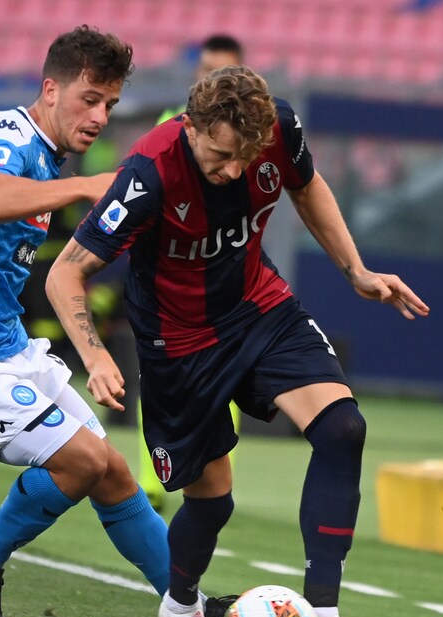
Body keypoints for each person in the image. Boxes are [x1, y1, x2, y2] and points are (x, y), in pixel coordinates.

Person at [47, 65, 429, 617]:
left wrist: (355, 270)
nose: (233, 171)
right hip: (179, 342)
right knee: (212, 502)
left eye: (244, 158)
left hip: (259, 309)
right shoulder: (148, 173)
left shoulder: (278, 129)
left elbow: (307, 186)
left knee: (342, 429)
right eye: (221, 156)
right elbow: (66, 271)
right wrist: (93, 356)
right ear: (192, 127)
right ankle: (180, 607)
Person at [0, 26, 171, 617]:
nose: (100, 116)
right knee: (83, 459)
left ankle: (188, 602)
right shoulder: (6, 133)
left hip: (6, 348)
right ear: (51, 89)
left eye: (110, 104)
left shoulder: (47, 160)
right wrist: (84, 187)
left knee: (113, 471)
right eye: (89, 99)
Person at [143, 32, 245, 512]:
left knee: (228, 379)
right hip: (171, 278)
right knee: (160, 379)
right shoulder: (170, 123)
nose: (210, 77)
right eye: (205, 69)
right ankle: (154, 478)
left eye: (221, 71)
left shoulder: (252, 132)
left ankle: (217, 478)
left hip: (224, 275)